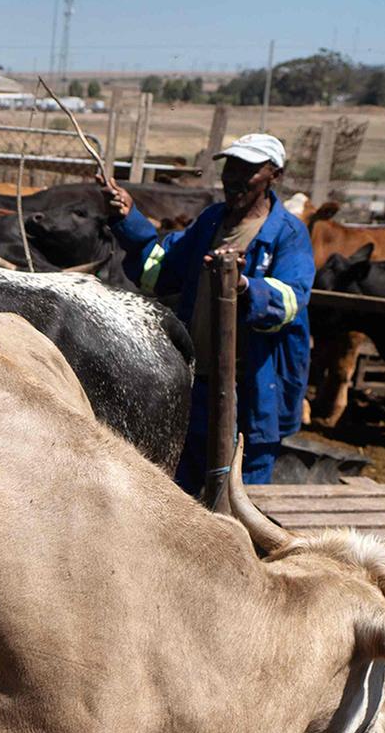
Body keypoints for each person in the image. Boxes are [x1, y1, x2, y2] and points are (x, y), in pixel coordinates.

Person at [107, 132, 314, 490]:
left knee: (243, 499)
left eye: (247, 170)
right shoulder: (211, 221)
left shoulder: (288, 235)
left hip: (251, 390)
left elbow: (291, 301)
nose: (234, 178)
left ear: (274, 175)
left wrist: (246, 287)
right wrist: (130, 219)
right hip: (197, 383)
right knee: (181, 493)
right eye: (230, 168)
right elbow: (161, 272)